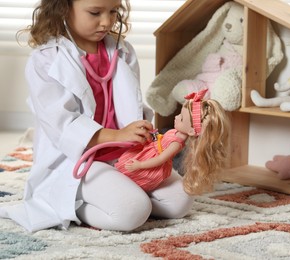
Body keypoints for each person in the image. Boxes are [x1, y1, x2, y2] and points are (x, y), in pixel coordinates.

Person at [0, 0, 193, 233]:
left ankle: (119, 193)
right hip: (80, 160)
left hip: (125, 154)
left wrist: (143, 130)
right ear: (63, 8)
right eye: (95, 12)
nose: (106, 22)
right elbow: (62, 125)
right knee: (132, 212)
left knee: (180, 202)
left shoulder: (122, 51)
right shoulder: (47, 59)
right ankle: (72, 204)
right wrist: (119, 134)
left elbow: (130, 102)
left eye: (113, 12)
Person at [115, 89, 231, 195]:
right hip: (150, 151)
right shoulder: (177, 131)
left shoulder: (176, 143)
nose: (176, 117)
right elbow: (162, 139)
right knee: (125, 163)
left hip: (152, 161)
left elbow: (160, 159)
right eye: (180, 114)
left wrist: (140, 165)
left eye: (181, 118)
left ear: (191, 130)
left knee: (131, 174)